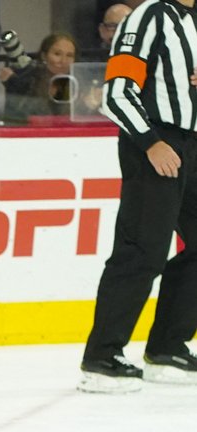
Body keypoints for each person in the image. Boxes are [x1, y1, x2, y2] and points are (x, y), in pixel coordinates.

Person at [80, 0, 197, 391]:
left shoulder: (190, 21)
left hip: (190, 143)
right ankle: (101, 357)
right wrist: (151, 142)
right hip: (156, 138)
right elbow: (117, 92)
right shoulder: (150, 14)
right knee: (142, 249)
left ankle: (168, 345)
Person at [0, 32, 77, 125]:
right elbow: (20, 117)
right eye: (57, 54)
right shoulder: (30, 79)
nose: (63, 61)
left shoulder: (77, 83)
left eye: (69, 55)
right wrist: (13, 83)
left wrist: (89, 104)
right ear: (44, 56)